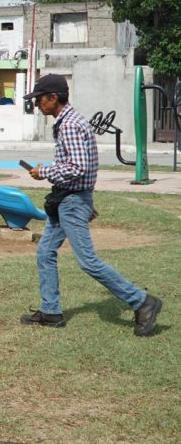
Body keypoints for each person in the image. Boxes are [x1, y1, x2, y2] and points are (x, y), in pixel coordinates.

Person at [22, 74, 162, 336]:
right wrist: (85, 198)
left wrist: (44, 172)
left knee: (88, 261)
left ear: (53, 97)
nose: (37, 104)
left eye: (40, 99)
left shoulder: (70, 125)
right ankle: (51, 310)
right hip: (68, 199)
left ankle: (143, 302)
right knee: (45, 252)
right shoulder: (69, 122)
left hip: (72, 201)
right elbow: (84, 169)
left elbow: (78, 167)